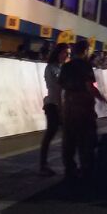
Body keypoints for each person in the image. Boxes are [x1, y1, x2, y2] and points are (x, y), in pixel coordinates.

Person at [58, 40, 105, 181]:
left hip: (69, 106)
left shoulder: (66, 66)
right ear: (85, 51)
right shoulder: (85, 65)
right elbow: (89, 86)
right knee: (86, 140)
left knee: (69, 140)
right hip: (83, 106)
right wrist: (102, 99)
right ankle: (86, 170)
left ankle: (69, 170)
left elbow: (61, 87)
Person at [37, 43, 69, 176]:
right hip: (53, 105)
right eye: (65, 53)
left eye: (68, 53)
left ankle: (67, 164)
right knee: (51, 133)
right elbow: (56, 88)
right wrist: (60, 107)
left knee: (66, 134)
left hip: (62, 105)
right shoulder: (51, 68)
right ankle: (43, 165)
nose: (67, 56)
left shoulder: (62, 68)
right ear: (58, 53)